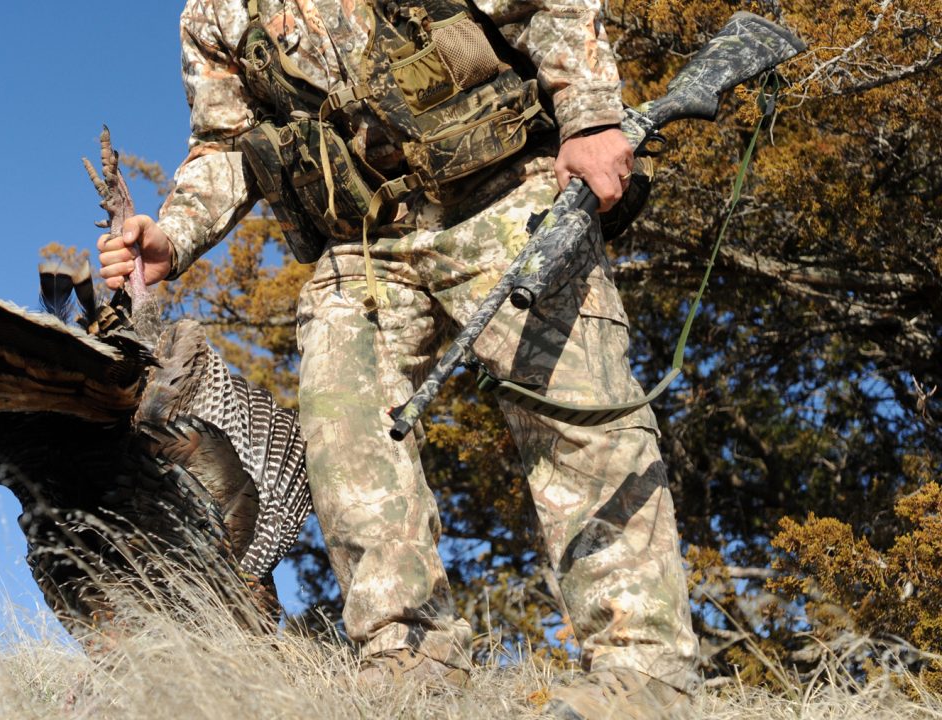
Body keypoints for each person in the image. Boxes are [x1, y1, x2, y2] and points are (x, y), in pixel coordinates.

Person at [98, 1, 699, 717]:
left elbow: (547, 6)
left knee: (579, 421)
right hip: (363, 243)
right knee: (342, 433)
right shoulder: (214, 14)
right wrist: (173, 234)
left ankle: (644, 672)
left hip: (504, 194)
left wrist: (592, 116)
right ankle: (409, 666)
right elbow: (228, 144)